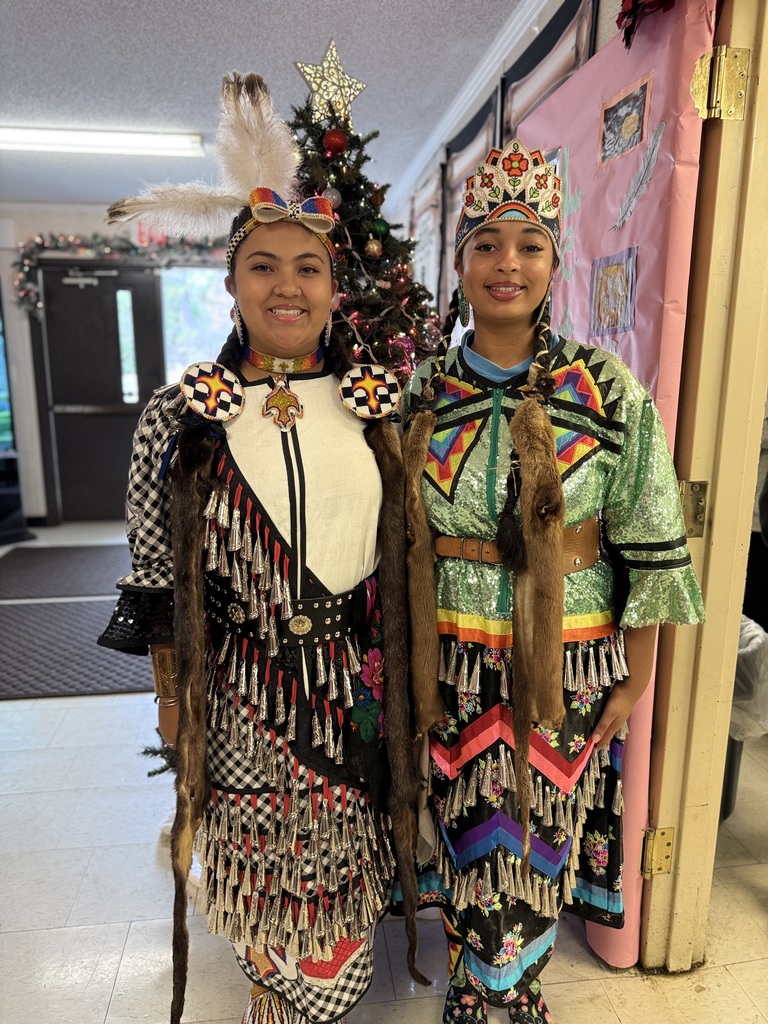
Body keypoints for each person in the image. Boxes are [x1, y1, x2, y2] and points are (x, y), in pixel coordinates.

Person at [98, 72, 422, 1024]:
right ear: (232, 282)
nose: (288, 285)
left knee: (342, 880)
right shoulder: (182, 417)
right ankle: (273, 996)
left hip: (355, 689)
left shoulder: (381, 408)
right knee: (259, 871)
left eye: (308, 267)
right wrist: (170, 706)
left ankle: (322, 992)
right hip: (240, 693)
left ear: (335, 286)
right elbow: (155, 582)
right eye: (265, 266)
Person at [401, 139, 705, 1023]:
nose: (508, 265)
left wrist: (636, 673)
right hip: (450, 654)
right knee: (461, 818)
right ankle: (468, 973)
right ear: (459, 262)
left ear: (554, 259)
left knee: (542, 825)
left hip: (566, 658)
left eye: (529, 244)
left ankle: (522, 980)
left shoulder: (608, 390)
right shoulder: (423, 391)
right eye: (488, 244)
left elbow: (650, 534)